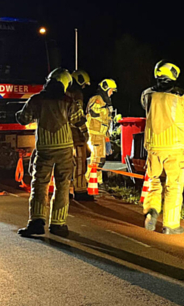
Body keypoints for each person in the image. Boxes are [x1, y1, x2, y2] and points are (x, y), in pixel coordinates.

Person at [16, 68, 86, 238]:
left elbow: (23, 118)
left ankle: (36, 221)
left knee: (40, 183)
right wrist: (85, 138)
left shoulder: (37, 99)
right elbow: (79, 121)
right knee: (63, 185)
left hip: (44, 148)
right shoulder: (68, 101)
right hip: (65, 149)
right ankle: (58, 224)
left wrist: (18, 114)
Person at [141, 61, 184, 234]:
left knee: (154, 182)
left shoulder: (147, 95)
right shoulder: (182, 96)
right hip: (175, 148)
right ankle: (170, 225)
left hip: (153, 147)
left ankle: (151, 210)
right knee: (174, 185)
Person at [84, 78, 117, 198]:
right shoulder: (96, 100)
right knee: (97, 159)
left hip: (101, 134)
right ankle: (90, 180)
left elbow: (106, 121)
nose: (111, 93)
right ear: (105, 89)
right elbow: (94, 113)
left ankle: (97, 181)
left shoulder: (105, 102)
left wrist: (107, 139)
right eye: (111, 90)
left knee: (100, 159)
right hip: (95, 134)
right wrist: (105, 109)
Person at [67, 69, 91, 201]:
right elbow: (78, 116)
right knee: (80, 162)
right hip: (75, 134)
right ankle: (80, 190)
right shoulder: (77, 94)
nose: (83, 87)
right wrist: (85, 133)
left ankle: (63, 190)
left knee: (65, 164)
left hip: (63, 134)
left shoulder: (62, 93)